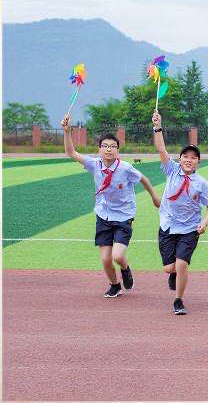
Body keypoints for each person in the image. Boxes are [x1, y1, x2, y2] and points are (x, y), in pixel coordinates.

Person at [61, 114, 160, 297]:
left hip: (123, 216)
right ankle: (115, 285)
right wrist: (67, 131)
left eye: (113, 146)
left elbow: (144, 179)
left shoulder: (125, 168)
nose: (109, 149)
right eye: (105, 146)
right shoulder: (94, 164)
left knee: (118, 256)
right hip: (103, 215)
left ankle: (125, 269)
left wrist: (154, 197)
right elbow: (71, 153)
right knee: (106, 259)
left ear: (117, 151)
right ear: (99, 149)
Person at [152, 110, 208, 315]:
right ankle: (174, 273)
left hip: (189, 228)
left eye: (193, 157)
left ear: (198, 162)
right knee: (169, 268)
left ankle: (178, 300)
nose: (189, 160)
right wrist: (158, 126)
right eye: (185, 156)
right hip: (168, 225)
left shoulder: (202, 183)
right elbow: (161, 149)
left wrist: (204, 223)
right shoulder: (171, 170)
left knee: (181, 264)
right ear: (179, 159)